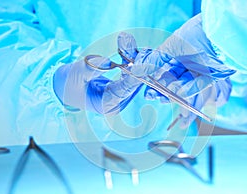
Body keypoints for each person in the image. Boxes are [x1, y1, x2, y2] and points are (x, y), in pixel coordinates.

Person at [53, 14, 236, 129]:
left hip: (167, 143)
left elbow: (238, 24)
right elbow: (23, 38)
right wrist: (56, 83)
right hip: (59, 133)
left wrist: (213, 83)